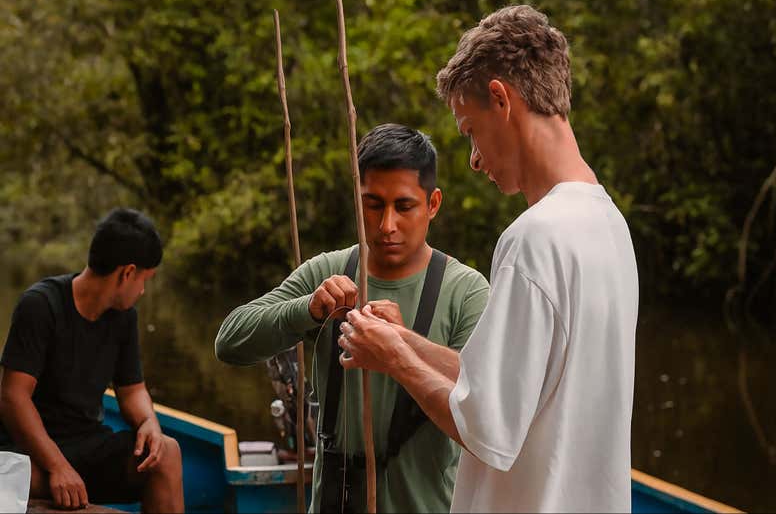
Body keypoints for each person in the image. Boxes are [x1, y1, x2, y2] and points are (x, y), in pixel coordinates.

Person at [338, 5, 639, 513]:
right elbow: (513, 385)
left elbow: (488, 429)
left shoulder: (534, 237)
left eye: (470, 131)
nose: (474, 158)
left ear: (501, 99)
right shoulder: (610, 225)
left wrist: (394, 360)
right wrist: (406, 339)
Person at [215, 123, 489, 513]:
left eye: (404, 206)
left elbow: (484, 409)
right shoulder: (328, 270)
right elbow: (230, 341)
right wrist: (308, 308)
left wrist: (402, 344)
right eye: (373, 204)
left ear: (433, 204)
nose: (386, 225)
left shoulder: (466, 291)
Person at [0, 208, 184, 512]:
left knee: (167, 453)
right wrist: (58, 466)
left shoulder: (124, 317)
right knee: (14, 477)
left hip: (87, 445)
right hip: (30, 452)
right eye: (143, 280)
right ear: (127, 273)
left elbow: (132, 390)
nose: (142, 290)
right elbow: (13, 397)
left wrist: (149, 422)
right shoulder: (41, 305)